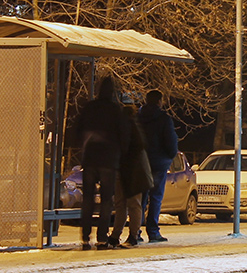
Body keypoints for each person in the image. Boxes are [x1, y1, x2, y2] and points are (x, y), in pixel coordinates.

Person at [75, 75, 130, 250]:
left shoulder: (89, 108)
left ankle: (85, 236)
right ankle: (101, 237)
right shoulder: (116, 110)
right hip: (109, 160)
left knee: (88, 200)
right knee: (106, 200)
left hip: (90, 158)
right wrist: (122, 155)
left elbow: (77, 129)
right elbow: (124, 135)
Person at [109, 104, 152, 248]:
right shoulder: (136, 127)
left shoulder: (122, 128)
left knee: (122, 204)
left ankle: (118, 235)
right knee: (134, 205)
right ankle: (132, 235)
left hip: (126, 170)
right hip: (134, 171)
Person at [138, 89, 178, 243]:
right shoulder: (164, 119)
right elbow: (171, 142)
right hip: (158, 163)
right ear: (160, 101)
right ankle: (153, 231)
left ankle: (136, 231)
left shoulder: (138, 118)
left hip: (141, 162)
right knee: (155, 197)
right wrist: (168, 157)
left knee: (140, 198)